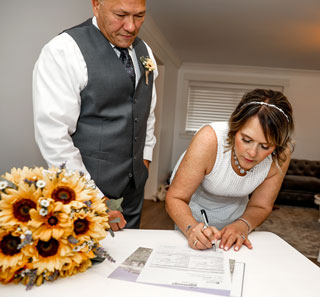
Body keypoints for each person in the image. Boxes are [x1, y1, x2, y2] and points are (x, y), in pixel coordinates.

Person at [32, 0, 158, 230]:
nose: (131, 26)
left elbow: (146, 112)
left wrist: (145, 161)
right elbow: (53, 135)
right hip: (84, 196)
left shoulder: (145, 51)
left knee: (129, 264)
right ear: (96, 5)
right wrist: (94, 198)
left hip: (133, 192)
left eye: (139, 16)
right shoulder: (64, 50)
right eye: (120, 15)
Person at [165, 89, 294, 251]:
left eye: (265, 146)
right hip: (192, 216)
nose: (253, 153)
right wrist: (192, 229)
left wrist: (243, 224)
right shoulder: (210, 140)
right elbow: (176, 197)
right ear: (234, 129)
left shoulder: (281, 155)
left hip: (237, 217)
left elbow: (261, 206)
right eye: (246, 140)